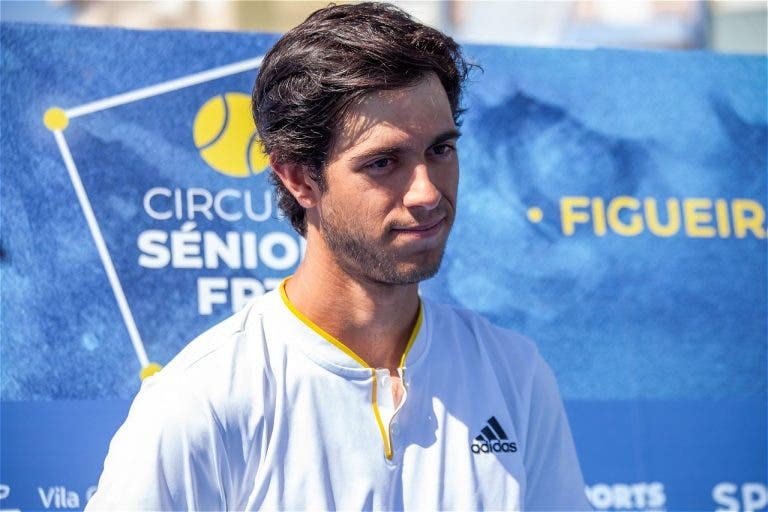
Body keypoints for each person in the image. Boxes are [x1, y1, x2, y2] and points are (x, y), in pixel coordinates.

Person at [86, 3, 590, 510]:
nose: (427, 192)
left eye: (440, 150)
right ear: (300, 178)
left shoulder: (513, 374)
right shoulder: (203, 401)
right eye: (383, 162)